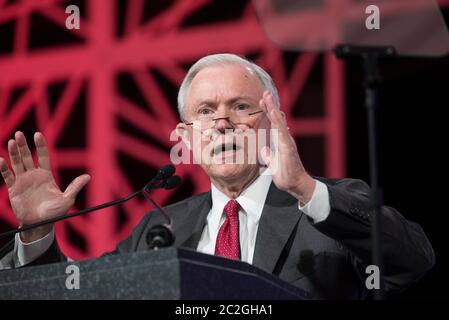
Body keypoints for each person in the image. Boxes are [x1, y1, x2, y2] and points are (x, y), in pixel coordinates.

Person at [0, 53, 434, 299]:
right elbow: (87, 297)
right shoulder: (162, 225)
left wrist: (304, 188)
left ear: (273, 121)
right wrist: (37, 234)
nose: (223, 122)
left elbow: (411, 263)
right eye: (205, 112)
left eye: (241, 107)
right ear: (185, 137)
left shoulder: (327, 205)